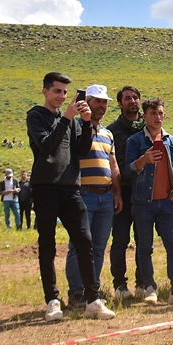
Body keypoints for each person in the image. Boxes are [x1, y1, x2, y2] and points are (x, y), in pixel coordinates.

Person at [27, 72, 115, 322]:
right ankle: (52, 301)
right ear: (45, 91)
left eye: (65, 92)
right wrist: (67, 117)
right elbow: (46, 146)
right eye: (57, 91)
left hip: (71, 188)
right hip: (45, 187)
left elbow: (82, 149)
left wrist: (86, 123)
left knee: (85, 242)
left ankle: (92, 299)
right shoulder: (36, 115)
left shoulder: (74, 122)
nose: (62, 96)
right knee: (47, 245)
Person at [123, 97, 173, 304]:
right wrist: (142, 161)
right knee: (145, 247)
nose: (157, 117)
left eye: (160, 113)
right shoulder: (134, 141)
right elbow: (126, 172)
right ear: (144, 116)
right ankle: (149, 288)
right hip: (143, 202)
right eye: (153, 113)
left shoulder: (172, 142)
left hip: (167, 202)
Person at [63, 85, 122, 310]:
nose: (101, 106)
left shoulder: (108, 133)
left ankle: (92, 292)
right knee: (78, 246)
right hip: (82, 194)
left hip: (106, 196)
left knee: (98, 247)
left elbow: (113, 165)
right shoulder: (74, 128)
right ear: (86, 101)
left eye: (104, 102)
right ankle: (76, 293)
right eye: (97, 101)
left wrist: (117, 193)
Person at [107, 85, 144, 300]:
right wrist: (115, 192)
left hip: (143, 192)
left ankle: (142, 282)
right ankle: (120, 285)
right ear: (120, 103)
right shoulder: (112, 130)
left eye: (135, 98)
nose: (132, 101)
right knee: (120, 239)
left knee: (143, 239)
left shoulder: (147, 129)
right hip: (122, 191)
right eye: (127, 98)